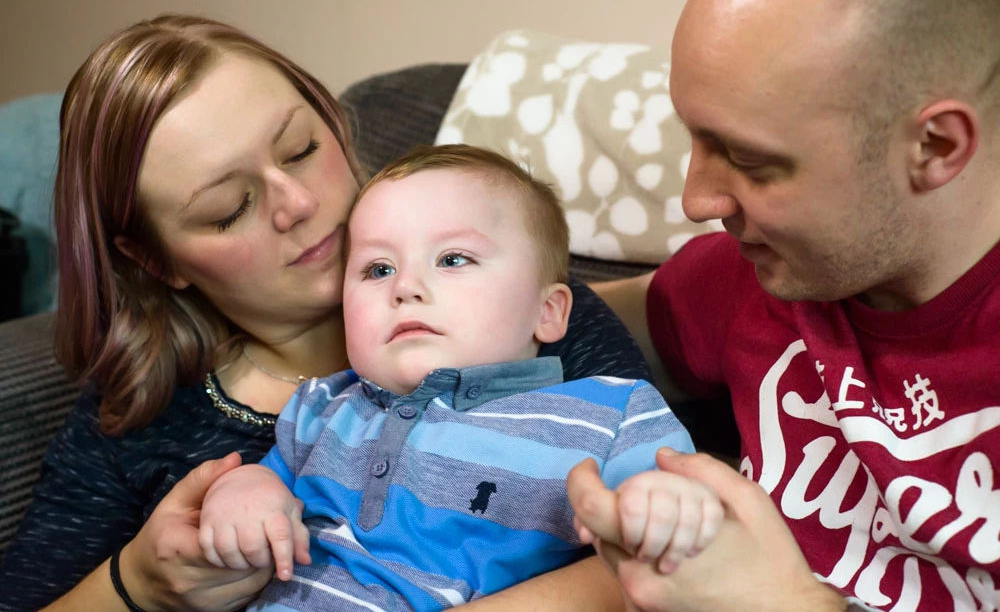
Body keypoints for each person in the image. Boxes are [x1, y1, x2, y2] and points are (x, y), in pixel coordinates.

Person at [0, 15, 653, 612]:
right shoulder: (136, 422)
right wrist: (135, 582)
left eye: (300, 149)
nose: (296, 203)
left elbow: (668, 548)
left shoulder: (511, 307)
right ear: (155, 259)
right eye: (230, 207)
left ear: (332, 121)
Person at [568, 0, 1000, 610]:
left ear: (936, 146)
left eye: (748, 158)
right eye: (695, 139)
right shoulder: (764, 273)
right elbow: (538, 313)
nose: (697, 199)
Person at [197, 145, 717, 610]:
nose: (405, 287)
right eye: (377, 269)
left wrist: (666, 504)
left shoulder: (608, 414)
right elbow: (267, 483)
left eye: (452, 259)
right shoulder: (322, 408)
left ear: (549, 312)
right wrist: (244, 491)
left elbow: (682, 510)